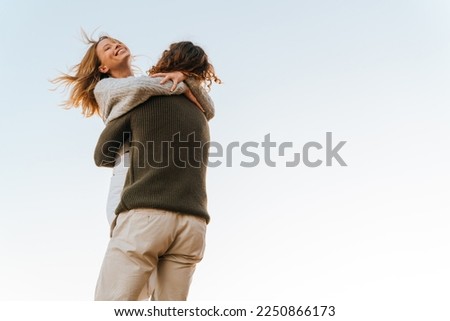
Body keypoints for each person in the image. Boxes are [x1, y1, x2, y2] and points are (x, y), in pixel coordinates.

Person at [93, 40, 220, 300]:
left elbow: (102, 155)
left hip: (144, 211)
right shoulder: (199, 111)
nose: (116, 46)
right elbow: (210, 109)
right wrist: (186, 81)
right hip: (194, 222)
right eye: (108, 48)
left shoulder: (139, 102)